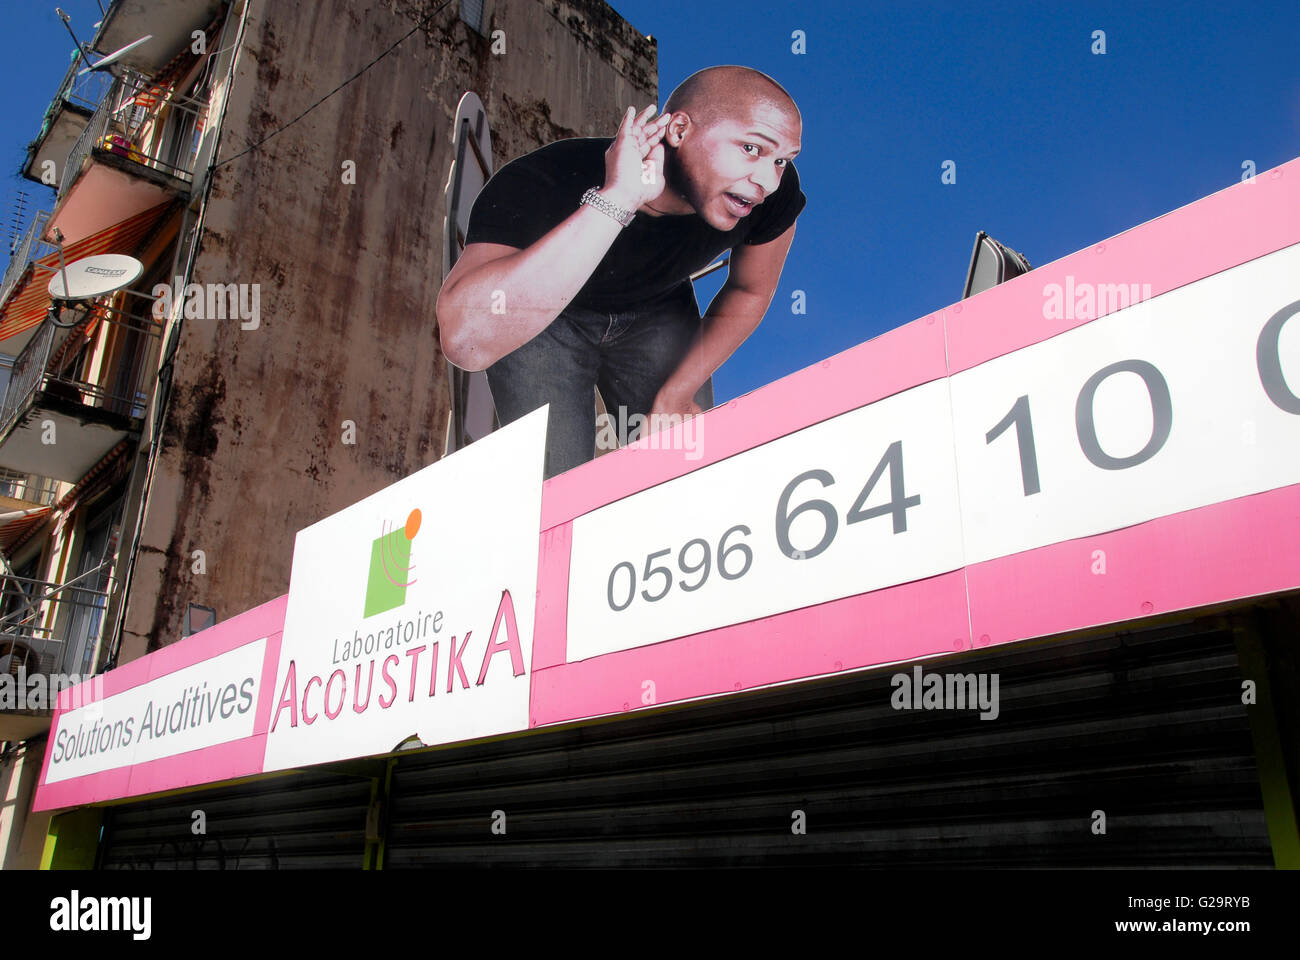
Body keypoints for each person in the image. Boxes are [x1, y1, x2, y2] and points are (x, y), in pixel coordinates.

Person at [436, 65, 806, 479]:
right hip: (544, 311)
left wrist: (674, 396)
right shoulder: (542, 179)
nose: (767, 182)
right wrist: (620, 197)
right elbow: (463, 340)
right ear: (679, 131)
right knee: (556, 493)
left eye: (782, 160)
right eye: (752, 149)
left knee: (684, 471)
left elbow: (750, 290)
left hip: (658, 310)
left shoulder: (769, 196)